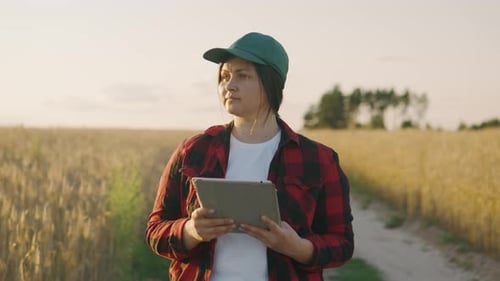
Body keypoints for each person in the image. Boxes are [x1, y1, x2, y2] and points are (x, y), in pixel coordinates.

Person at [146, 32, 354, 281]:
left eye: (242, 76)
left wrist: (297, 247)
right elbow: (155, 230)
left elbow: (342, 243)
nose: (229, 85)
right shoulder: (192, 151)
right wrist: (191, 231)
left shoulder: (320, 160)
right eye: (225, 76)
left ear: (271, 83)